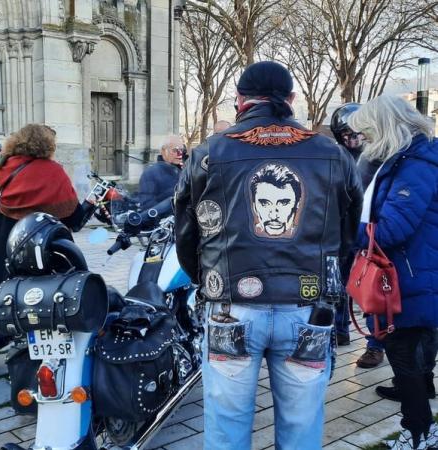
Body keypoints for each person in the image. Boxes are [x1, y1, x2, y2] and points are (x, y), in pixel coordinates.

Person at [174, 61, 363, 450]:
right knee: (301, 429)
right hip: (309, 308)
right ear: (290, 99)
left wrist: (207, 280)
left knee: (226, 429)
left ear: (239, 100)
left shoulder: (210, 152)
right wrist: (330, 283)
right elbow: (348, 235)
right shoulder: (332, 153)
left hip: (231, 307)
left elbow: (186, 233)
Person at [349, 95, 438, 450]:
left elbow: (390, 230)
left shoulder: (414, 164)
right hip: (414, 276)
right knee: (414, 354)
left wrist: (344, 228)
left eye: (368, 133)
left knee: (405, 357)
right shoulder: (413, 158)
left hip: (409, 280)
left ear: (386, 127)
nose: (365, 141)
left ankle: (418, 434)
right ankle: (420, 421)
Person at [0, 124, 96, 287]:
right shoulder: (53, 171)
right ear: (47, 145)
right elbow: (74, 220)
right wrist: (89, 204)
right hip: (45, 259)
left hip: (7, 254)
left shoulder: (5, 167)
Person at [331, 103, 388, 362]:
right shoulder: (335, 158)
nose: (352, 138)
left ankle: (375, 343)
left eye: (356, 133)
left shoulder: (379, 156)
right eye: (346, 134)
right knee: (340, 284)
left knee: (371, 286)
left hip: (371, 230)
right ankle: (339, 330)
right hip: (343, 230)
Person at [138, 135, 185, 210]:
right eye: (175, 150)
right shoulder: (150, 173)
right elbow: (147, 205)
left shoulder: (183, 171)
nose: (180, 154)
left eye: (182, 150)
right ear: (163, 151)